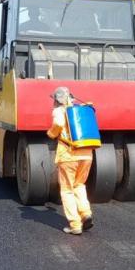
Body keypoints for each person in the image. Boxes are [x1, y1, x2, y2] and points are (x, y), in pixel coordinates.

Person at [46, 86, 94, 235]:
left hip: (69, 155)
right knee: (79, 184)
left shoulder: (60, 111)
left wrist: (51, 133)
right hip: (87, 154)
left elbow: (59, 124)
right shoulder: (80, 110)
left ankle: (75, 225)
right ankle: (85, 213)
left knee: (67, 190)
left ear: (56, 100)